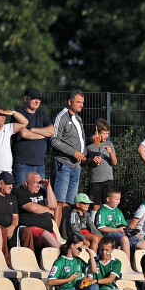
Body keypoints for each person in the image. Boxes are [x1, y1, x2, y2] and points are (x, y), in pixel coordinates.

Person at [51, 89, 89, 229]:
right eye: (78, 102)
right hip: (63, 164)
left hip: (76, 166)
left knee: (69, 202)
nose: (81, 105)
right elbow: (54, 140)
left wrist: (83, 153)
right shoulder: (61, 117)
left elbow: (80, 140)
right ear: (70, 102)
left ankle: (65, 232)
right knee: (59, 202)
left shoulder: (78, 118)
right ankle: (55, 232)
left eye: (82, 102)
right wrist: (73, 152)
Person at [11, 87, 55, 185]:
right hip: (22, 163)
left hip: (39, 164)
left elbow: (52, 131)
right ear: (26, 99)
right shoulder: (19, 114)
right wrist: (44, 134)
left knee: (39, 193)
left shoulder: (42, 114)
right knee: (21, 191)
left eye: (39, 99)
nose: (37, 101)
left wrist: (32, 129)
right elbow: (24, 133)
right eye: (34, 98)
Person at [16, 172, 63, 252]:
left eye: (40, 183)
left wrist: (48, 187)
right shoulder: (19, 192)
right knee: (46, 235)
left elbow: (53, 205)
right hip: (31, 228)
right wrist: (47, 209)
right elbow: (33, 208)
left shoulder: (42, 191)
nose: (38, 185)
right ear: (26, 183)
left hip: (49, 231)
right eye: (35, 183)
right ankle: (66, 252)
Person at [85, 119, 118, 209]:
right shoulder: (89, 145)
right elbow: (82, 162)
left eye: (107, 133)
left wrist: (111, 153)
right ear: (97, 133)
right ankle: (93, 222)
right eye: (104, 134)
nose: (106, 136)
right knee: (96, 205)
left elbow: (115, 163)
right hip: (95, 180)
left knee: (109, 204)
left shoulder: (109, 144)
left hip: (108, 179)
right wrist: (92, 159)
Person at [93, 186, 134, 254]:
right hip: (108, 235)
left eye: (119, 199)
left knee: (141, 241)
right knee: (124, 239)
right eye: (116, 199)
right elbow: (101, 228)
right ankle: (127, 263)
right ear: (108, 199)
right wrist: (117, 230)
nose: (119, 201)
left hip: (120, 233)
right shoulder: (102, 211)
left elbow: (124, 225)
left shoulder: (118, 211)